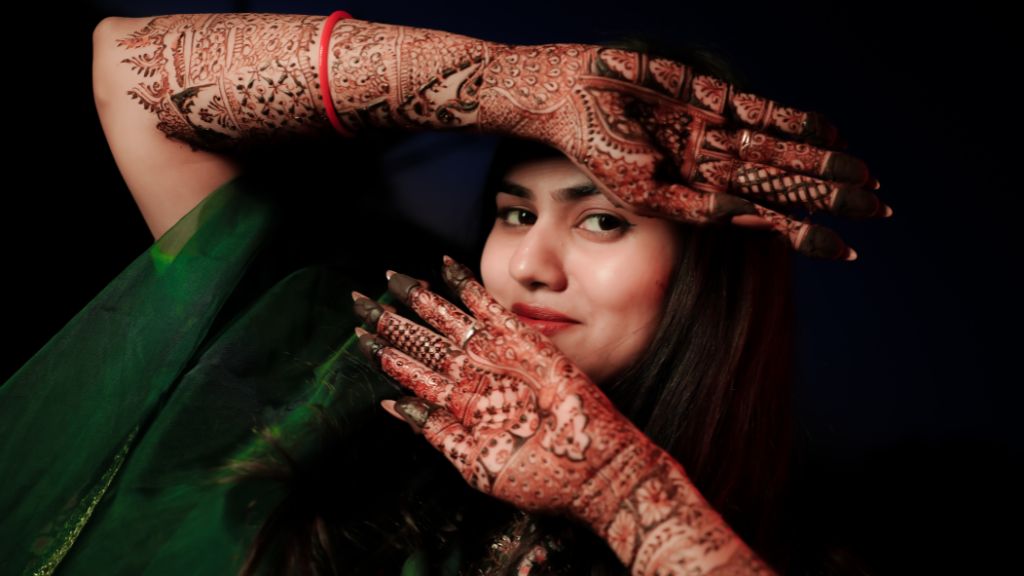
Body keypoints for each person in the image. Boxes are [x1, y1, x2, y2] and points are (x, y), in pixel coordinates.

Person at [0, 11, 889, 575]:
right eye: (512, 213)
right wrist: (503, 86)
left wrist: (625, 492)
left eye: (603, 221)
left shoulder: (794, 551)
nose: (530, 266)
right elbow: (129, 70)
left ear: (710, 275)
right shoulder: (344, 382)